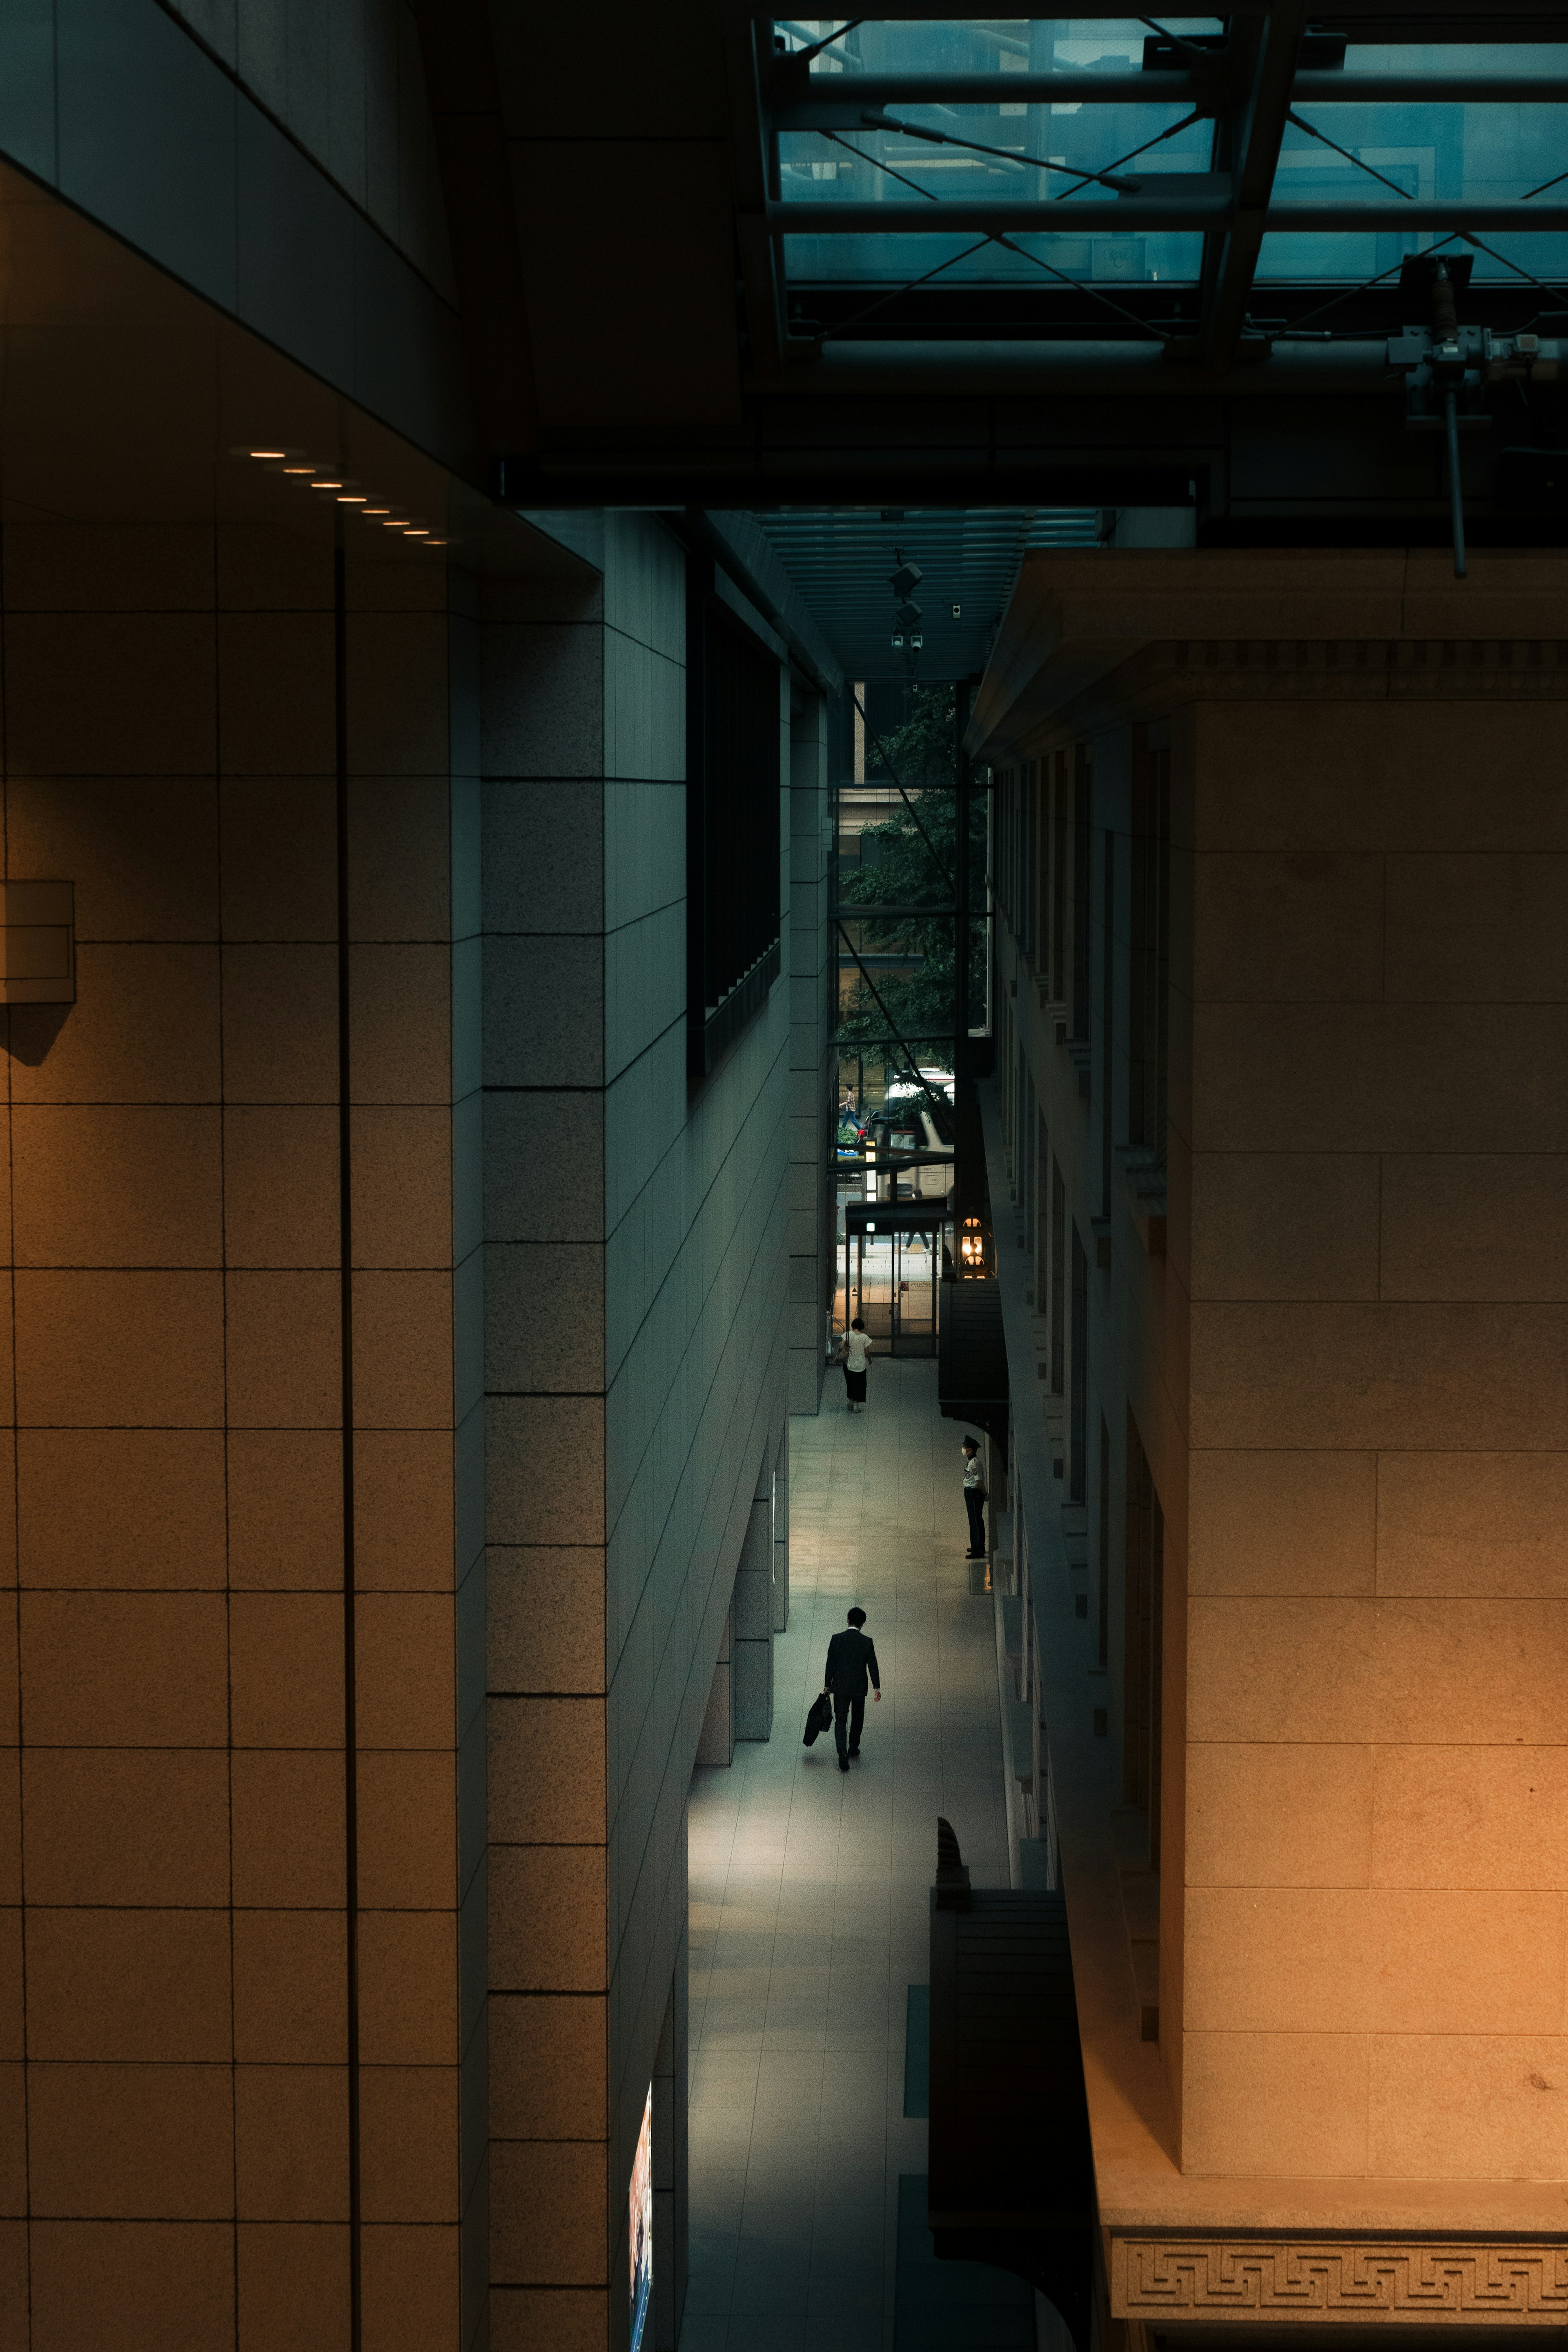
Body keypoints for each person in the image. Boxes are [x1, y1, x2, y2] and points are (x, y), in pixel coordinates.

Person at [823, 1606, 880, 1771]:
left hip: (840, 1687)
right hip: (859, 1688)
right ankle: (853, 1748)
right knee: (857, 1718)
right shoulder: (867, 1642)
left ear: (848, 1620)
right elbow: (873, 1666)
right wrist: (877, 1687)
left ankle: (842, 1755)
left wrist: (828, 1685)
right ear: (863, 1624)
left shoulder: (836, 1639)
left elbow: (830, 1664)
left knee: (841, 1720)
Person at [838, 1316, 873, 1412]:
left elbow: (841, 1346)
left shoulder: (848, 1335)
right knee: (860, 1385)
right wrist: (870, 1360)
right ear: (862, 1327)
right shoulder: (865, 1337)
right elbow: (867, 1352)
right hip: (861, 1365)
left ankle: (850, 1403)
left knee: (850, 1383)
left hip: (849, 1364)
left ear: (853, 1326)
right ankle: (856, 1407)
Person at [961, 1437, 987, 1559]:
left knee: (976, 1521)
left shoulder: (975, 1464)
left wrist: (984, 1494)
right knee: (975, 1521)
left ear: (971, 1450)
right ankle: (977, 1545)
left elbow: (979, 1482)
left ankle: (978, 1550)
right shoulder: (971, 1461)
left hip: (974, 1494)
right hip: (972, 1493)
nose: (964, 1450)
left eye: (965, 1448)